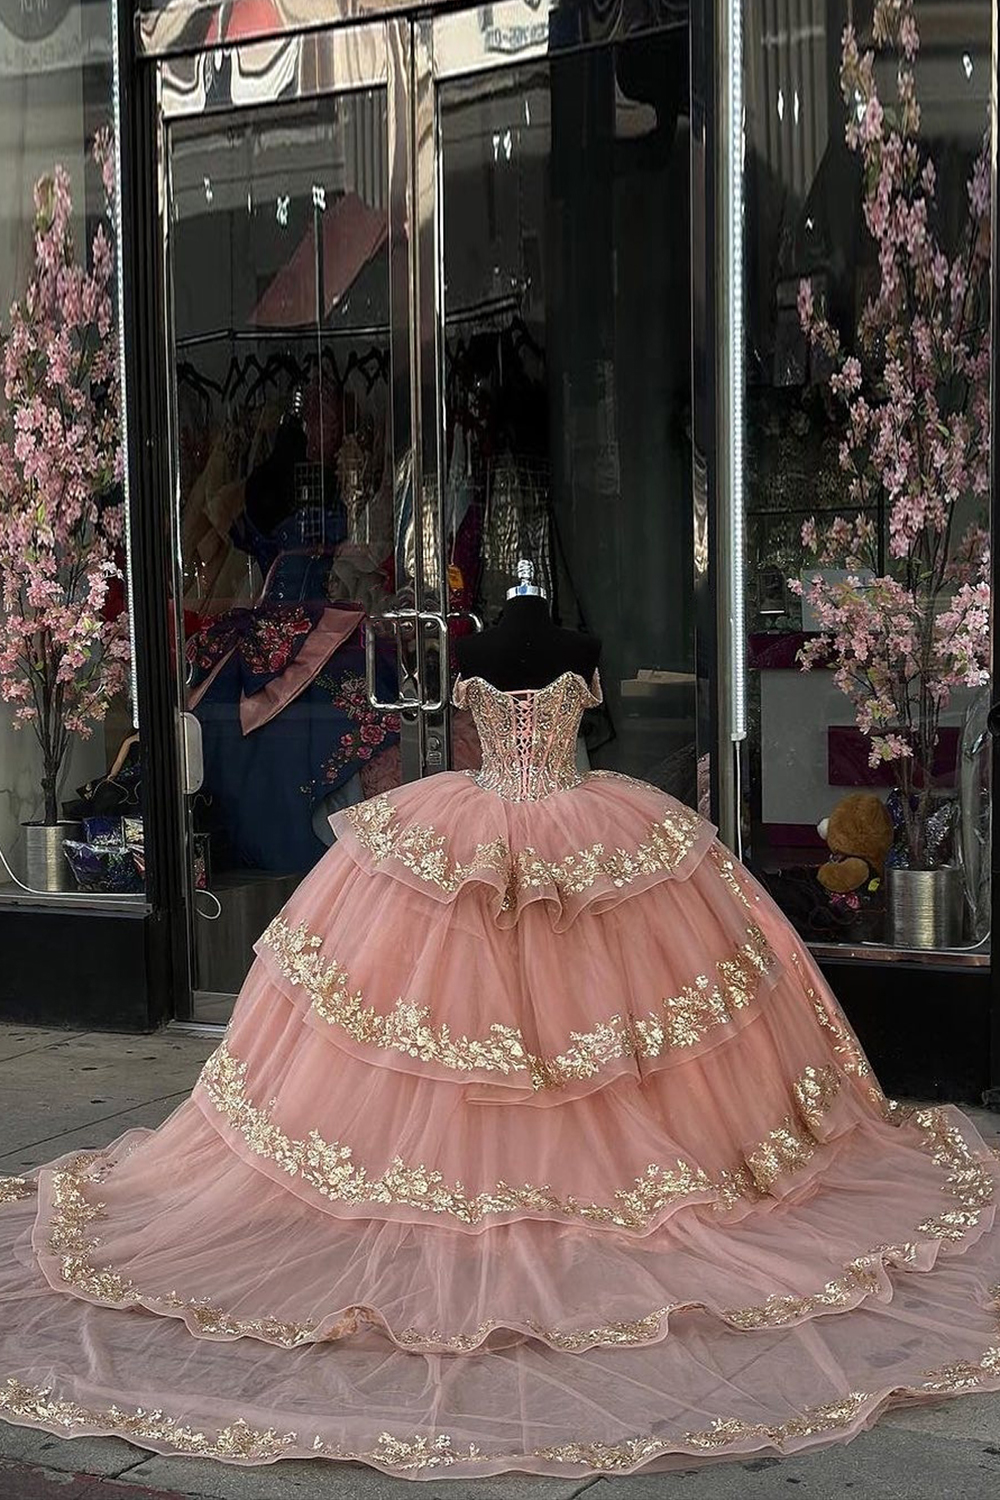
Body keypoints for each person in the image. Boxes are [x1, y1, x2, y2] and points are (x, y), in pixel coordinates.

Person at [0, 567, 998, 1479]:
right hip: (526, 825)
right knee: (503, 1017)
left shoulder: (509, 654)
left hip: (543, 828)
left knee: (585, 1023)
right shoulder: (522, 652)